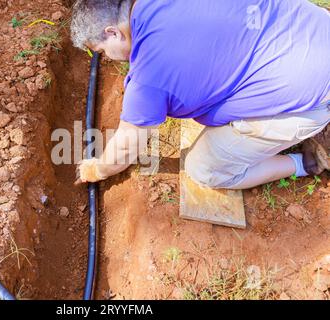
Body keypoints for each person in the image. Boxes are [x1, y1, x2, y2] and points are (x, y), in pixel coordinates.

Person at [71, 0, 330, 189]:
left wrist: (98, 169)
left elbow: (127, 147)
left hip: (315, 92)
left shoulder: (149, 80)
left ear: (112, 32)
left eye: (102, 51)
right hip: (315, 27)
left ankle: (305, 163)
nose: (108, 58)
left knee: (204, 170)